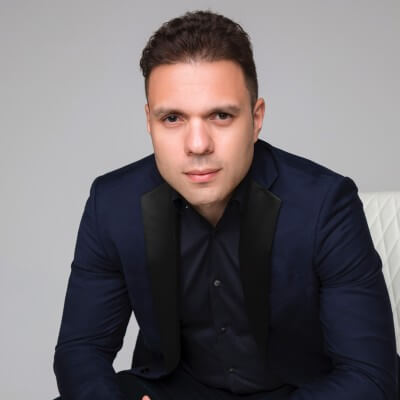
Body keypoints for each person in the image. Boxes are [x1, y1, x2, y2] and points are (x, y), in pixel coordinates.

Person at [53, 9, 399, 400]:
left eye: (220, 115)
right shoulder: (113, 204)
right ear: (149, 121)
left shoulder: (326, 204)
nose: (198, 144)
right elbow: (81, 351)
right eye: (173, 118)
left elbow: (369, 376)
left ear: (256, 118)